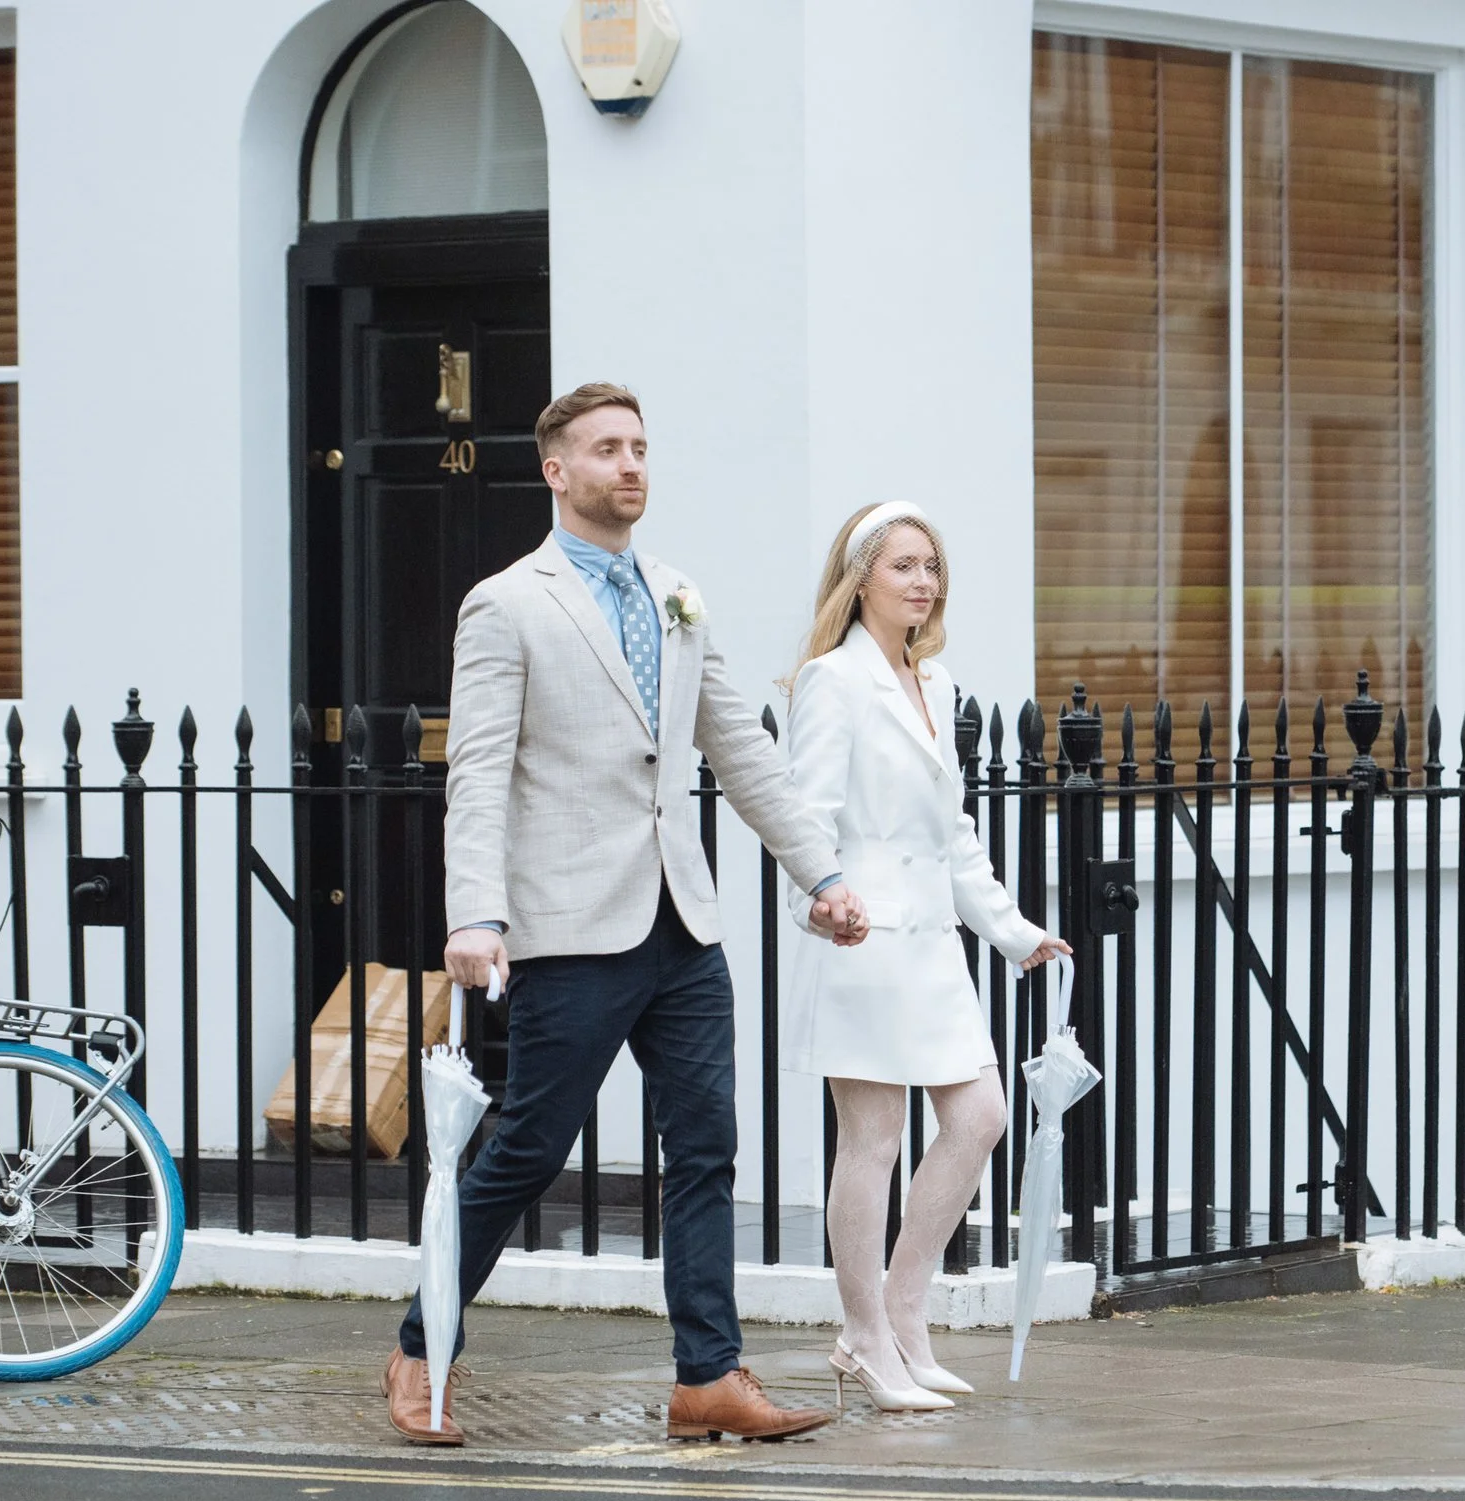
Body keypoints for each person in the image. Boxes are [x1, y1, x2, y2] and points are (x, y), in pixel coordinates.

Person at [384, 382, 872, 1446]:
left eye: (642, 447)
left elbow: (738, 745)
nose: (632, 466)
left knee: (706, 1146)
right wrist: (477, 914)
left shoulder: (677, 593)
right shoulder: (506, 603)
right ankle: (423, 1347)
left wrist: (818, 874)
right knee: (527, 1151)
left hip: (680, 927)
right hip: (568, 927)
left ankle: (709, 1374)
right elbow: (476, 772)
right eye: (608, 449)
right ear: (556, 470)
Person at [779, 501, 1068, 1412]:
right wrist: (819, 899)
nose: (923, 581)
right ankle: (864, 1338)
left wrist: (1016, 931)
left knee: (980, 1116)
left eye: (931, 566)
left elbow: (955, 838)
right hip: (860, 937)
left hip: (932, 946)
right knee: (874, 1139)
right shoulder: (831, 681)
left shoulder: (934, 685)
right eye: (904, 564)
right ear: (860, 576)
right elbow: (804, 816)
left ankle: (905, 1312)